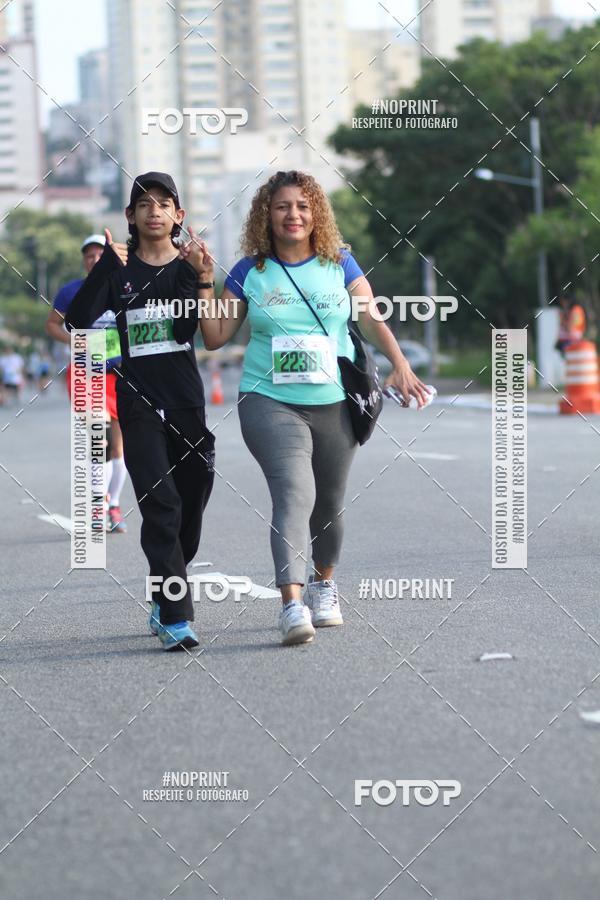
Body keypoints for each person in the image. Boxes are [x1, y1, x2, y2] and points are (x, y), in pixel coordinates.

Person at [179, 169, 428, 646]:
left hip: (333, 401)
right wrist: (205, 280)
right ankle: (291, 604)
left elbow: (371, 320)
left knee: (330, 504)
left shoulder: (341, 265)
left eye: (302, 206)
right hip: (267, 399)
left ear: (316, 213)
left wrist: (399, 363)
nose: (293, 214)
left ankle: (323, 584)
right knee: (295, 492)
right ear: (265, 216)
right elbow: (213, 338)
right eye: (282, 207)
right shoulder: (249, 271)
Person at [65, 172, 215, 651]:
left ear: (178, 215)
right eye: (144, 204)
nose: (154, 211)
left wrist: (206, 278)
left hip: (186, 399)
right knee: (161, 502)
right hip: (137, 399)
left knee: (191, 498)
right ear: (130, 216)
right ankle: (176, 616)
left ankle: (163, 583)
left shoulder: (190, 268)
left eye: (165, 203)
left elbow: (201, 331)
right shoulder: (118, 271)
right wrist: (105, 267)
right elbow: (76, 320)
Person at [46, 234, 129, 534]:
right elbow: (52, 324)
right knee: (100, 441)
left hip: (120, 374)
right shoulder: (72, 291)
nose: (94, 259)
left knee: (119, 446)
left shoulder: (123, 286)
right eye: (89, 256)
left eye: (100, 254)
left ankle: (114, 505)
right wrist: (77, 339)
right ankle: (97, 507)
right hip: (86, 373)